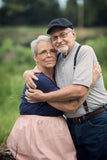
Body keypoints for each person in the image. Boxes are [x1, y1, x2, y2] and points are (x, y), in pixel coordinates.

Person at [23, 18, 107, 160]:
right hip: (72, 125)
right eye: (55, 37)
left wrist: (43, 97)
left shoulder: (84, 51)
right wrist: (26, 73)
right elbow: (40, 68)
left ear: (73, 34)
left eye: (63, 35)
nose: (59, 40)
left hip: (95, 121)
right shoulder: (59, 57)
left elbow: (79, 91)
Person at [7, 35, 98, 160]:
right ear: (35, 57)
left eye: (52, 51)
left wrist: (26, 73)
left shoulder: (55, 72)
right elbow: (71, 107)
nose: (49, 55)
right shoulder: (40, 80)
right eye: (43, 52)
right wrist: (91, 83)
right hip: (40, 133)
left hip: (49, 132)